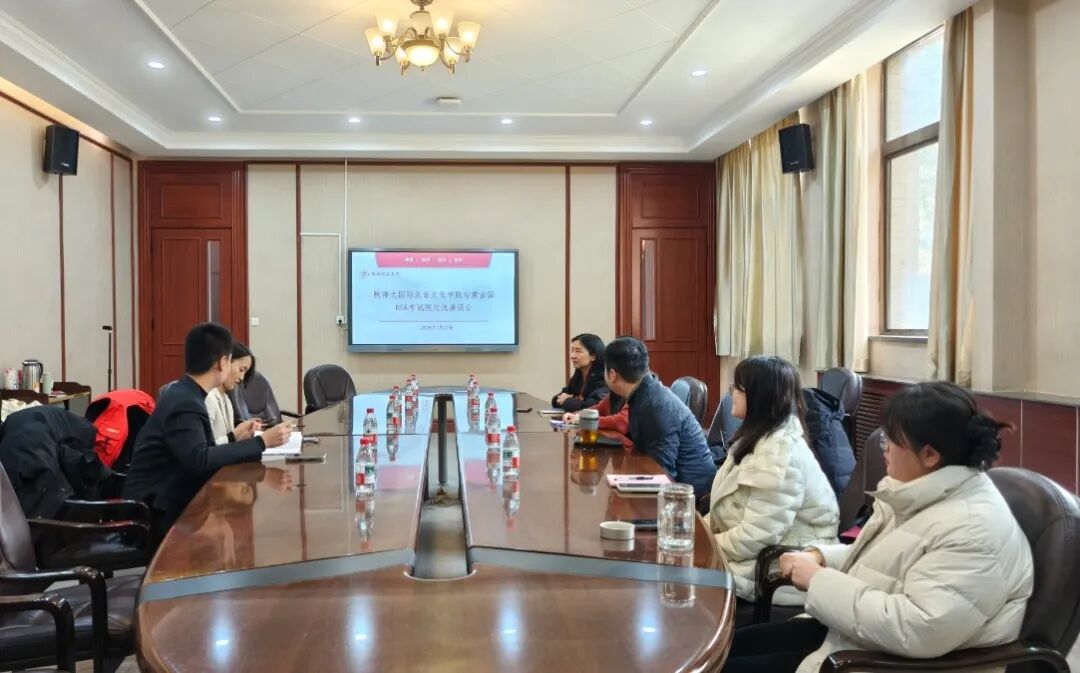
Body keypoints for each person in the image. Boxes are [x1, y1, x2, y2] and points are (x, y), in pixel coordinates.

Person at [722, 382, 1034, 673]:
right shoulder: (921, 493)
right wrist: (821, 556)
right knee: (719, 652)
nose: (884, 448)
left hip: (884, 661)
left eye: (892, 440)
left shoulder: (973, 530)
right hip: (856, 635)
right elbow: (882, 561)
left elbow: (917, 629)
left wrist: (818, 580)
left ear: (930, 455)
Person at [124, 323, 293, 544]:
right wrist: (262, 442)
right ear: (222, 363)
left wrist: (234, 438)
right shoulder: (185, 402)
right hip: (153, 512)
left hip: (168, 497)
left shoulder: (187, 394)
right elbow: (200, 459)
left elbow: (201, 451)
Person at [708, 356, 839, 617]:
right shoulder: (758, 438)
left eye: (737, 387)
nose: (731, 393)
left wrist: (703, 544)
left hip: (778, 573)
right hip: (751, 558)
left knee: (676, 587)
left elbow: (754, 537)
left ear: (759, 396)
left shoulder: (780, 455)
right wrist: (694, 532)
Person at [604, 337, 716, 500]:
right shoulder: (645, 393)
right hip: (674, 484)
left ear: (612, 375)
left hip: (689, 497)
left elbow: (661, 474)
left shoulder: (654, 405)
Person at [206, 342, 261, 445]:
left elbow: (229, 441)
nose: (242, 378)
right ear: (225, 362)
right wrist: (234, 436)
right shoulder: (209, 398)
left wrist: (242, 434)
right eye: (241, 370)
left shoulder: (226, 399)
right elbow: (203, 449)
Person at [552, 333, 609, 412]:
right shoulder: (579, 374)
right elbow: (560, 397)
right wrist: (565, 400)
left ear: (593, 356)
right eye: (572, 350)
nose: (572, 356)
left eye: (578, 351)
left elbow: (593, 407)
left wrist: (567, 401)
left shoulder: (603, 378)